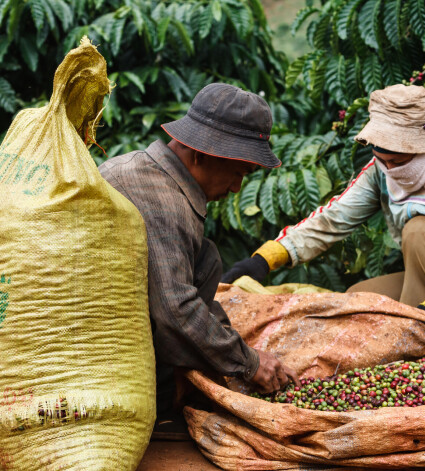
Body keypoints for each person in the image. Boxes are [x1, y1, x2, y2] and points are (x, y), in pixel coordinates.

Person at [222, 84, 425, 314]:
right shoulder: (381, 171)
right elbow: (334, 218)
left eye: (397, 162)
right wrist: (266, 259)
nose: (388, 169)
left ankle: (422, 337)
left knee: (419, 232)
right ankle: (413, 321)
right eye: (382, 160)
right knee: (359, 300)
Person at [99, 83, 299, 424]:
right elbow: (176, 310)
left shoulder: (145, 172)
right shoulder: (162, 200)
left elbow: (189, 289)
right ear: (202, 153)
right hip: (104, 352)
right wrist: (248, 363)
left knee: (206, 257)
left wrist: (232, 348)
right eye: (239, 172)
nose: (236, 187)